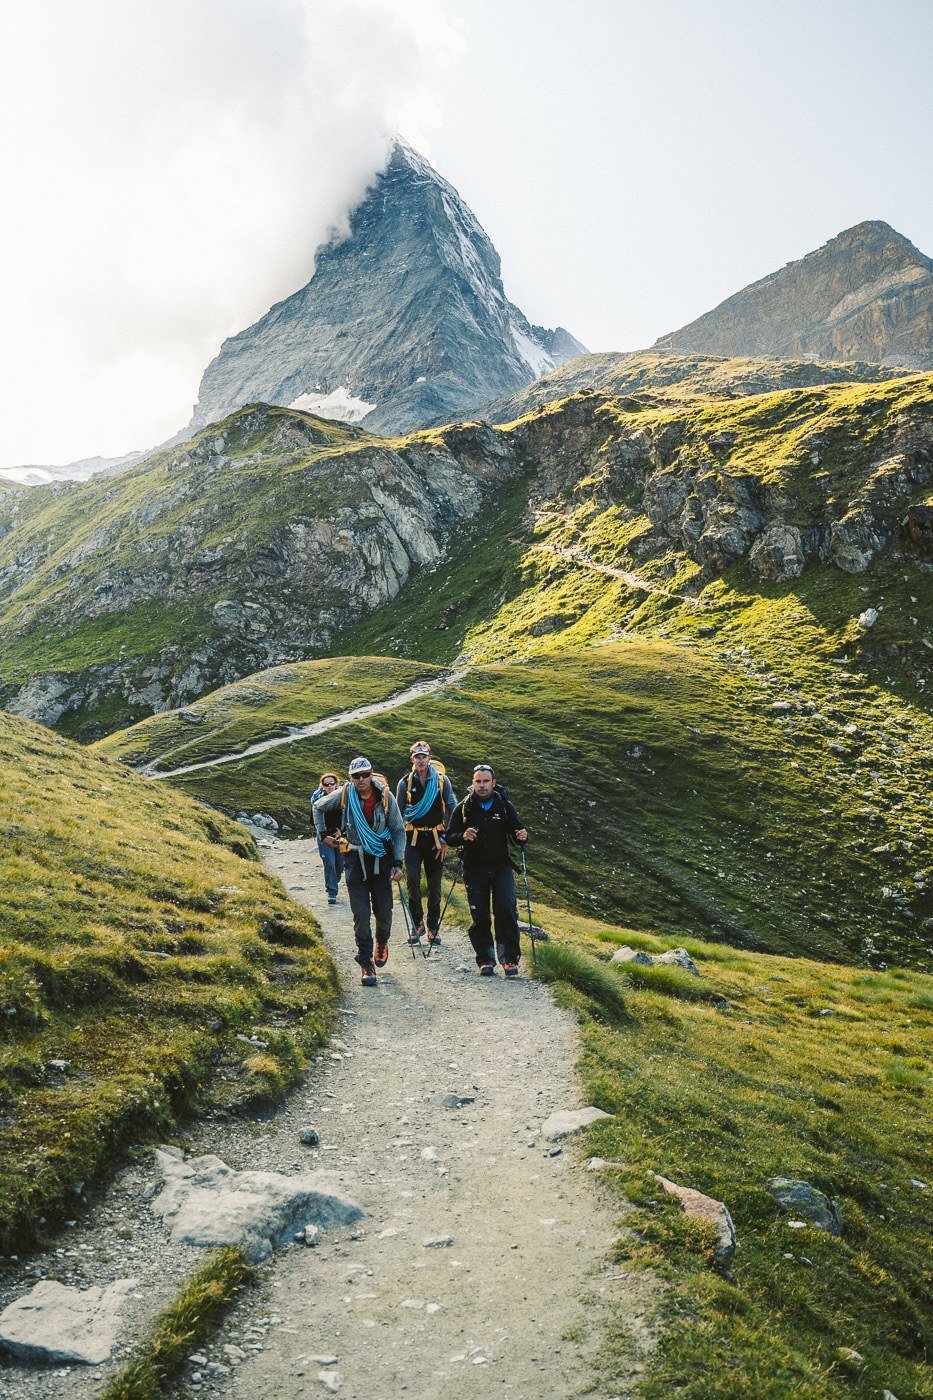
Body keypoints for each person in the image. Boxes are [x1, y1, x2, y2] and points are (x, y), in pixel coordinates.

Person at [314, 757, 406, 986]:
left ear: (371, 774)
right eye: (357, 776)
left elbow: (398, 830)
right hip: (354, 859)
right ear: (351, 778)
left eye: (365, 774)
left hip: (381, 860)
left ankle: (381, 941)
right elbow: (318, 806)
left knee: (384, 912)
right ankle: (366, 961)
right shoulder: (345, 794)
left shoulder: (386, 796)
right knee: (361, 914)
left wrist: (398, 862)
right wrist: (323, 834)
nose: (362, 779)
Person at [444, 763, 528, 978]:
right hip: (474, 868)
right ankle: (485, 960)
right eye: (478, 781)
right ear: (473, 783)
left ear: (493, 783)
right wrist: (463, 836)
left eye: (486, 781)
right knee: (480, 915)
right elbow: (449, 836)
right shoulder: (464, 807)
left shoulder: (504, 805)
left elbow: (518, 831)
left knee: (506, 909)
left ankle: (509, 959)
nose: (482, 785)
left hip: (501, 867)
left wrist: (522, 835)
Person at [396, 740, 457, 947]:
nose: (421, 760)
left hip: (435, 839)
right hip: (412, 838)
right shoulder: (405, 783)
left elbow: (453, 808)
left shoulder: (441, 781)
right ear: (412, 759)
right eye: (417, 757)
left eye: (424, 756)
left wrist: (446, 838)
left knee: (435, 885)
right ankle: (417, 923)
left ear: (430, 758)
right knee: (412, 880)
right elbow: (397, 813)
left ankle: (433, 926)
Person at [311, 772, 343, 905]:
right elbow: (313, 820)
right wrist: (327, 832)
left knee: (340, 865)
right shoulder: (319, 801)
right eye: (326, 784)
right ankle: (332, 892)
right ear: (322, 786)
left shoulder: (342, 799)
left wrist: (341, 830)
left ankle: (333, 882)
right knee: (329, 862)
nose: (329, 786)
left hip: (340, 836)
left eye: (332, 783)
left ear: (336, 784)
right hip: (324, 836)